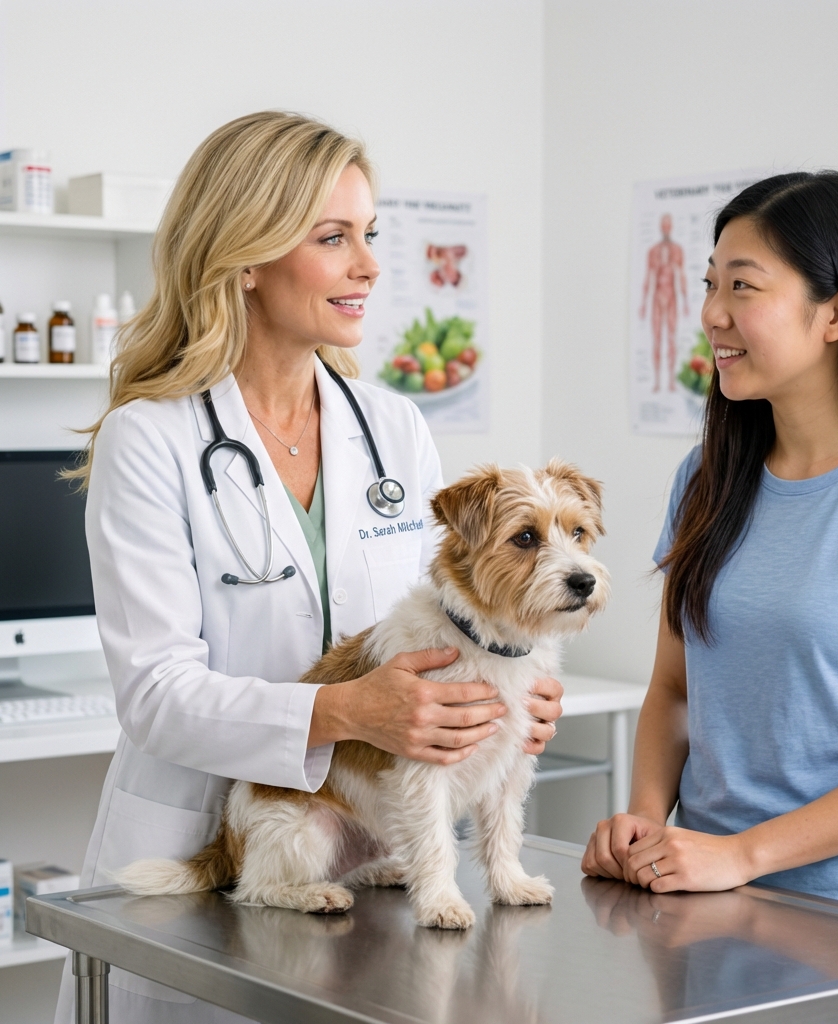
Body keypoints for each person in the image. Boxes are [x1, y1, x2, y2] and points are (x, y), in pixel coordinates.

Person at [55, 111, 562, 1024]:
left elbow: (445, 623)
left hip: (368, 860)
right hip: (193, 861)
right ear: (245, 254)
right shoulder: (152, 439)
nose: (369, 264)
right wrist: (344, 710)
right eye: (334, 238)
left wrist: (507, 678)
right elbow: (157, 694)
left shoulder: (393, 426)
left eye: (371, 236)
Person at [583, 171, 838, 1024]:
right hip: (703, 911)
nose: (712, 313)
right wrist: (642, 824)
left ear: (837, 314)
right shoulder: (706, 476)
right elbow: (673, 689)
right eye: (710, 285)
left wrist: (743, 853)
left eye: (744, 286)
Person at [639, 212, 689, 392]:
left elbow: (681, 275)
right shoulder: (653, 251)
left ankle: (670, 381)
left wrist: (685, 301)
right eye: (664, 225)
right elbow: (649, 276)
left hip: (672, 296)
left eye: (669, 224)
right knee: (657, 339)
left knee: (671, 338)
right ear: (661, 227)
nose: (666, 228)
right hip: (657, 297)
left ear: (671, 227)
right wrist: (644, 303)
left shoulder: (677, 250)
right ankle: (657, 381)